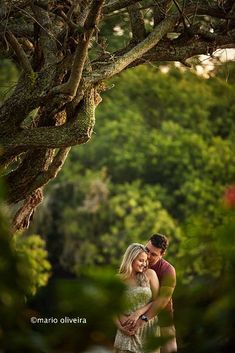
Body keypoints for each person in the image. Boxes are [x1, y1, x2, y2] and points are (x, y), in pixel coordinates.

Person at [122, 234, 177, 353]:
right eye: (147, 250)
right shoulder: (139, 262)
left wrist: (143, 318)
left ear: (162, 255)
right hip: (135, 315)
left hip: (162, 315)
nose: (148, 256)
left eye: (154, 254)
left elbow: (163, 300)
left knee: (169, 348)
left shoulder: (168, 270)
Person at [114, 243, 160, 353]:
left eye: (146, 261)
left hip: (147, 328)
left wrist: (138, 313)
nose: (144, 264)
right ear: (131, 259)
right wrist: (121, 328)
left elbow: (157, 301)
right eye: (141, 260)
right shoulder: (118, 279)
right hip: (125, 332)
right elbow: (112, 308)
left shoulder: (150, 274)